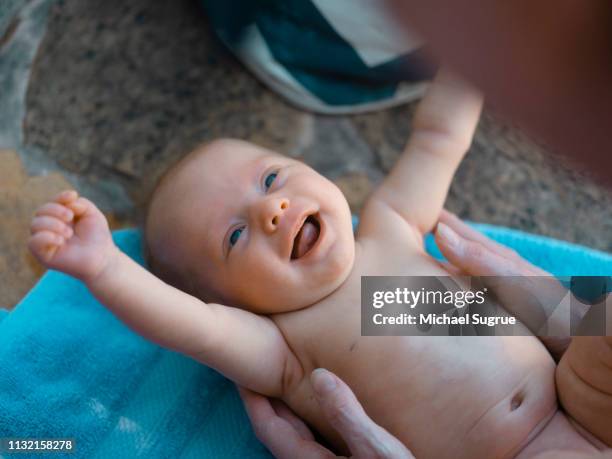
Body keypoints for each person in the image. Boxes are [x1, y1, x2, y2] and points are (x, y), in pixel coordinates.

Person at [28, 69, 610, 458]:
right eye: (234, 237)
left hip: (581, 396)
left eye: (271, 178)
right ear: (228, 301)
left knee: (604, 321)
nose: (272, 211)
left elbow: (437, 138)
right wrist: (103, 266)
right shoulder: (282, 349)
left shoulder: (391, 228)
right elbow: (193, 329)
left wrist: (471, 53)